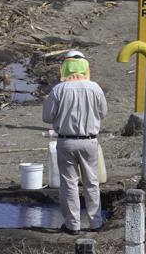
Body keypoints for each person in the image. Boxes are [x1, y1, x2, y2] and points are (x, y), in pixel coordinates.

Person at [42, 50, 108, 235]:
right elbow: (103, 112)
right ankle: (96, 223)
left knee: (69, 184)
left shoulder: (58, 89)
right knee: (92, 182)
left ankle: (72, 225)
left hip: (66, 142)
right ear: (86, 67)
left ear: (65, 67)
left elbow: (47, 117)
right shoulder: (95, 88)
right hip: (90, 141)